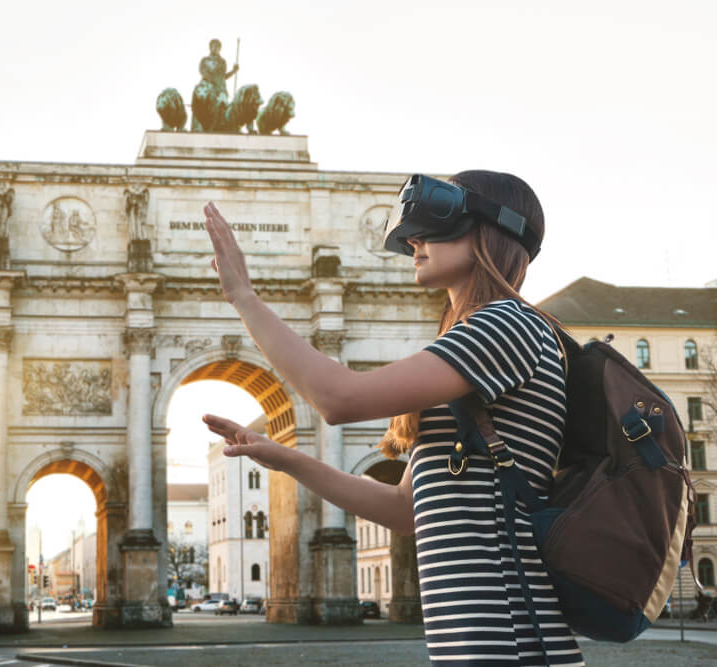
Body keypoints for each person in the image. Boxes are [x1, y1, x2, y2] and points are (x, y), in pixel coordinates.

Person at [202, 171, 584, 666]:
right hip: (476, 646)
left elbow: (338, 398)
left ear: (491, 232)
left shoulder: (506, 325)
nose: (415, 240)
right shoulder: (478, 341)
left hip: (512, 643)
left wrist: (245, 299)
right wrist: (285, 459)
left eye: (437, 226)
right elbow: (406, 510)